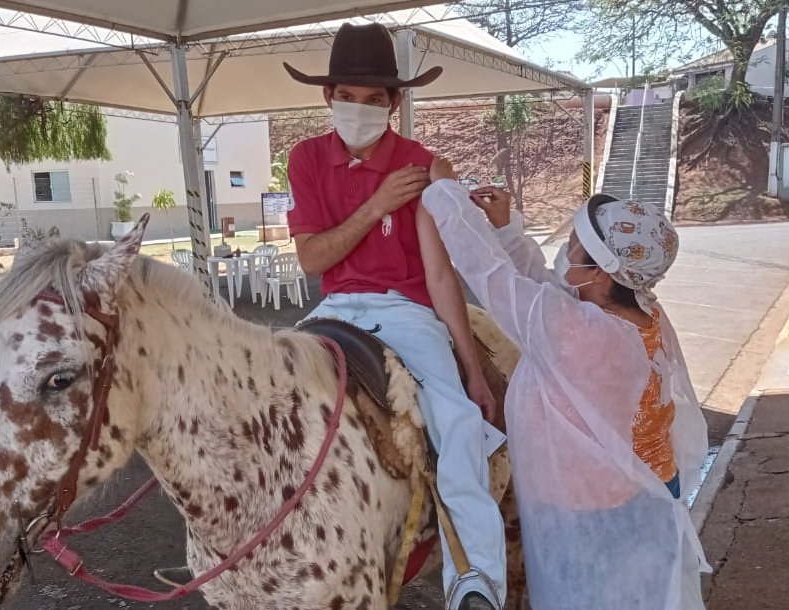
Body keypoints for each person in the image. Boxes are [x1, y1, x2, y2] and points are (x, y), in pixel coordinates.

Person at [282, 22, 506, 610]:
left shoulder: (427, 166)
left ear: (394, 103)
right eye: (347, 97)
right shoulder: (305, 159)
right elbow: (312, 258)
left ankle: (474, 577)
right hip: (332, 309)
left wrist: (472, 372)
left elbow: (438, 276)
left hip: (406, 311)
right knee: (268, 399)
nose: (358, 109)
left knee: (456, 422)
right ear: (327, 96)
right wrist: (377, 205)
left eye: (374, 99)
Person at [421, 157, 710, 610]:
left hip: (592, 515)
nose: (566, 253)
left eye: (574, 247)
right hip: (645, 496)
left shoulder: (575, 333)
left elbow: (493, 277)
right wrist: (507, 228)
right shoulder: (639, 314)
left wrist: (446, 195)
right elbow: (546, 292)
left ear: (599, 272)